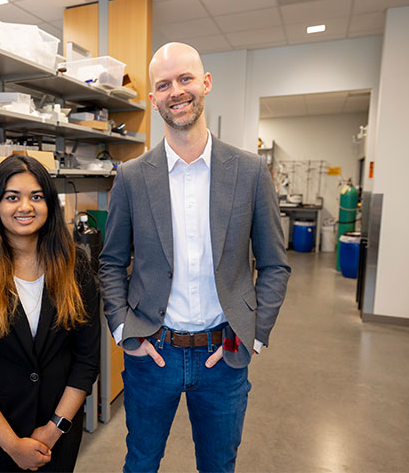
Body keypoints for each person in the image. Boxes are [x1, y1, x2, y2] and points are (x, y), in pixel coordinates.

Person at [99, 42, 291, 473]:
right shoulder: (130, 178)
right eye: (163, 85)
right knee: (141, 463)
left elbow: (274, 263)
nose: (176, 91)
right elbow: (111, 262)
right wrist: (123, 329)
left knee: (219, 466)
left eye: (185, 79)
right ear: (153, 99)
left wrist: (253, 334)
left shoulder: (249, 171)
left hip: (223, 354)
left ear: (205, 83)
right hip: (154, 352)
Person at [0, 155, 100, 472]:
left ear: (49, 205)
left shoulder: (76, 268)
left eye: (36, 196)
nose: (25, 207)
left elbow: (86, 361)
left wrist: (53, 428)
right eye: (12, 197)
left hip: (57, 433)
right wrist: (12, 445)